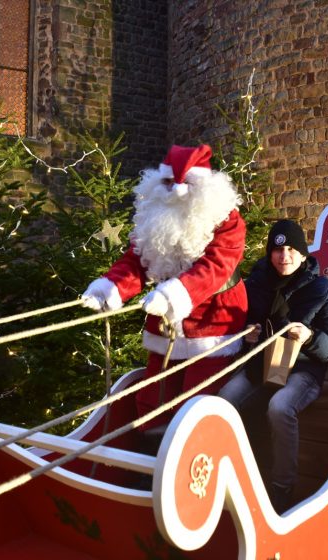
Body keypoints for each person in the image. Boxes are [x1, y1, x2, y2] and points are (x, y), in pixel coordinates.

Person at [81, 144, 248, 433]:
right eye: (170, 183)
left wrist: (174, 294)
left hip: (214, 321)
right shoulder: (154, 217)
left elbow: (217, 267)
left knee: (197, 402)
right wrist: (110, 288)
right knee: (152, 399)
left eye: (188, 184)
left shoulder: (227, 220)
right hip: (166, 318)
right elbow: (137, 260)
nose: (178, 191)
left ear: (206, 185)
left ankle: (190, 462)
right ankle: (149, 462)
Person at [218, 219, 328, 513]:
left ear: (303, 254)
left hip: (304, 371)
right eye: (277, 250)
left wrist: (310, 338)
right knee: (223, 400)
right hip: (261, 366)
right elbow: (238, 323)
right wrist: (248, 336)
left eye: (291, 249)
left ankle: (281, 488)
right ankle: (235, 475)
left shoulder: (324, 291)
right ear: (270, 253)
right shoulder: (256, 285)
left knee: (280, 407)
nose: (284, 256)